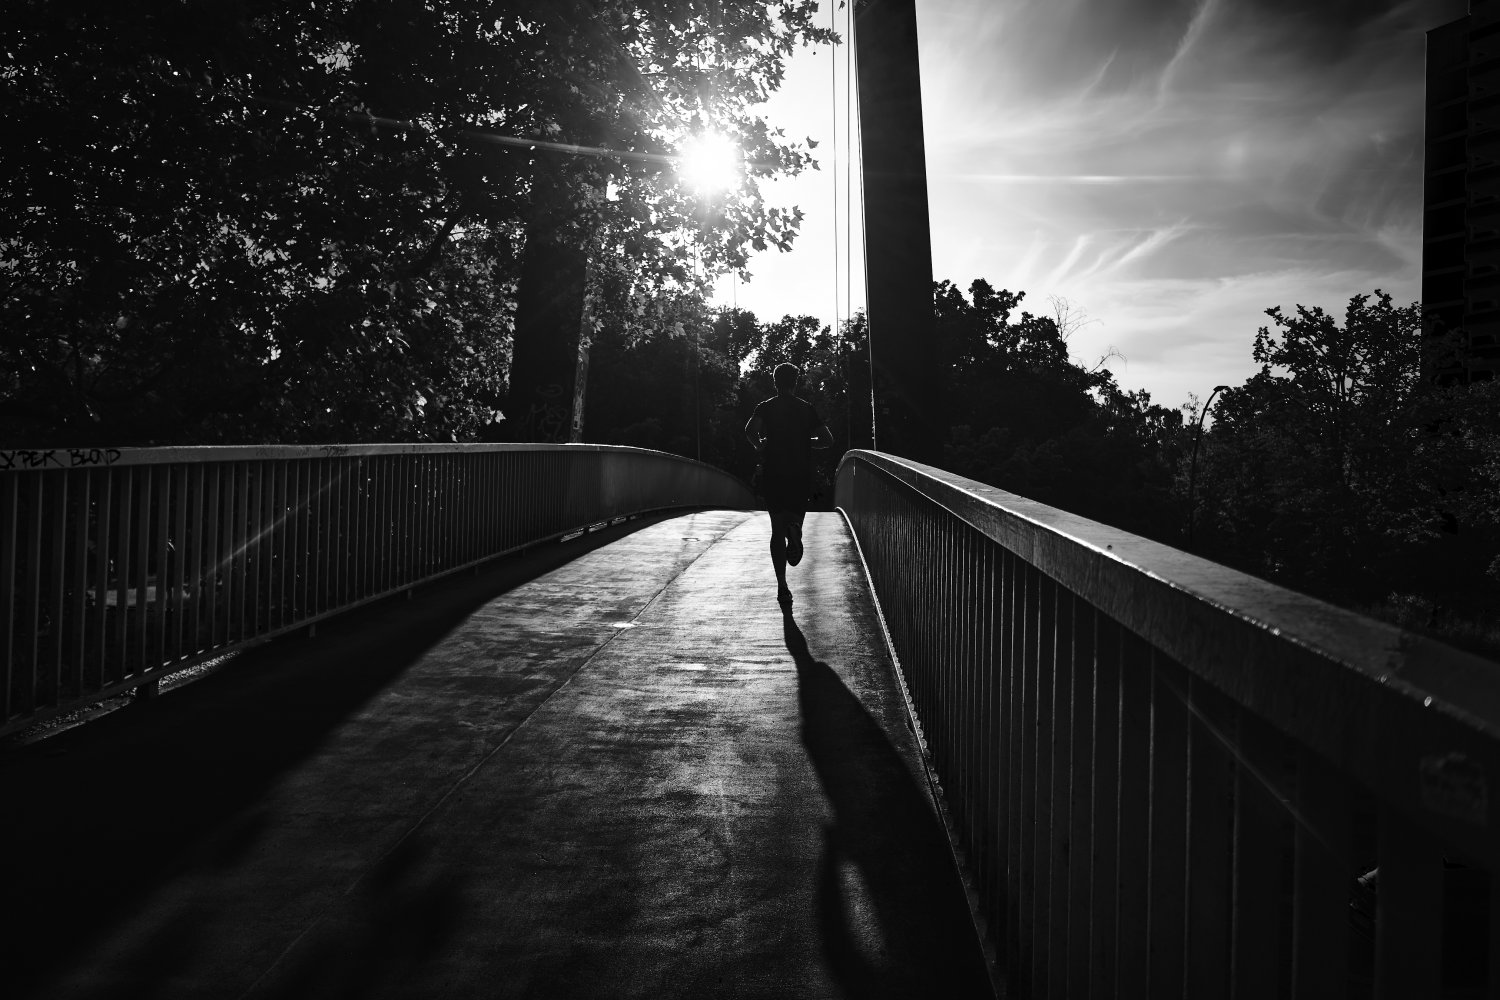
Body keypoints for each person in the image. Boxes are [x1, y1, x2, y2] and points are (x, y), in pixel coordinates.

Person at [744, 363, 835, 608]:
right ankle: (794, 529)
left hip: (774, 471)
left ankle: (783, 587)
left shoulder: (765, 407)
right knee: (793, 518)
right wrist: (807, 443)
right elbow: (827, 439)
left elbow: (750, 430)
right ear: (795, 382)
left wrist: (761, 445)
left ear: (775, 382)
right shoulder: (806, 408)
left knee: (776, 530)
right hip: (800, 472)